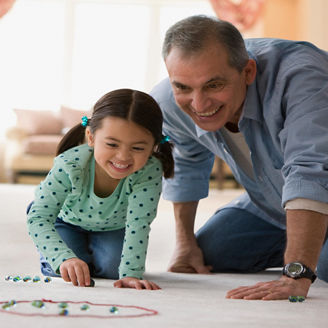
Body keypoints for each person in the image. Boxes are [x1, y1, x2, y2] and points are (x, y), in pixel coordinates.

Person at [151, 15, 328, 300]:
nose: (199, 104)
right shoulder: (167, 102)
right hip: (273, 202)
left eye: (213, 85)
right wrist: (185, 243)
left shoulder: (304, 79)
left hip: (319, 187)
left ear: (247, 72)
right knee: (210, 252)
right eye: (183, 87)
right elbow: (186, 162)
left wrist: (297, 270)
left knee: (323, 264)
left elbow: (311, 170)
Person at [27, 88, 174, 290]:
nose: (123, 157)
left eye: (138, 148)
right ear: (91, 137)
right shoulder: (70, 165)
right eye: (112, 144)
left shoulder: (149, 170)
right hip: (66, 221)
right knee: (66, 270)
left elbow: (139, 223)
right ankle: (74, 254)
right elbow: (39, 217)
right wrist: (64, 258)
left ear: (153, 147)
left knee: (115, 271)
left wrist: (131, 274)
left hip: (112, 227)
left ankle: (87, 254)